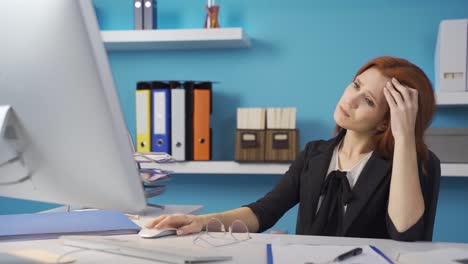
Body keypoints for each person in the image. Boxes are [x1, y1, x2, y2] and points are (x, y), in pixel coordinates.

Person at [147, 56, 441, 242]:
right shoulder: (315, 154)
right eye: (355, 85)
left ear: (384, 123)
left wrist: (404, 137)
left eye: (368, 101)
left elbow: (406, 232)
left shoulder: (417, 164)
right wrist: (200, 222)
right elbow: (264, 212)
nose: (350, 99)